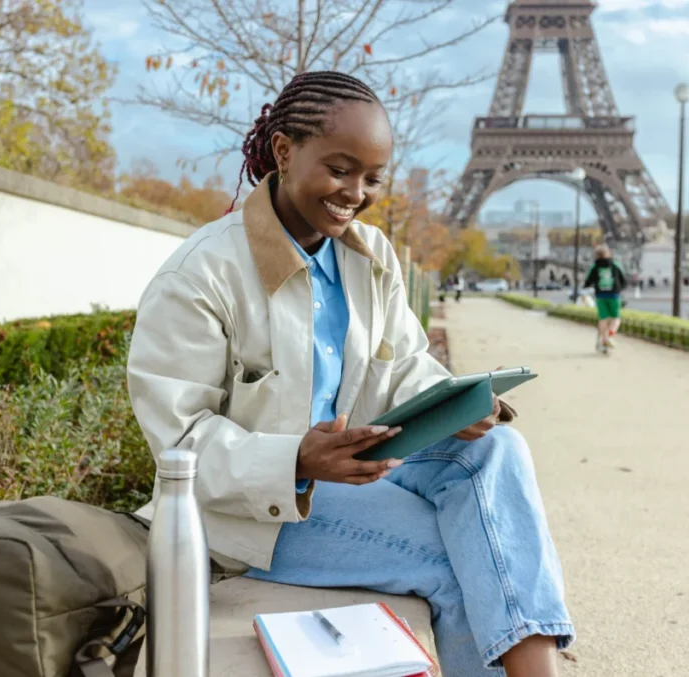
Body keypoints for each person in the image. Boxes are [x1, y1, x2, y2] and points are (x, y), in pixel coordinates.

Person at [125, 71, 573, 677]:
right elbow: (178, 446)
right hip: (259, 514)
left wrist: (456, 404)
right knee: (463, 561)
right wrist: (298, 461)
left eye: (372, 177)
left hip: (358, 471)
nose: (355, 192)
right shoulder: (200, 276)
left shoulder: (369, 254)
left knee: (497, 448)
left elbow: (405, 365)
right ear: (284, 152)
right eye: (339, 169)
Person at [583, 245, 627, 353]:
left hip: (601, 295)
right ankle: (611, 334)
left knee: (603, 318)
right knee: (616, 318)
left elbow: (588, 281)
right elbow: (623, 280)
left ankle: (604, 338)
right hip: (614, 295)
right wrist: (620, 288)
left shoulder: (595, 266)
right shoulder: (616, 265)